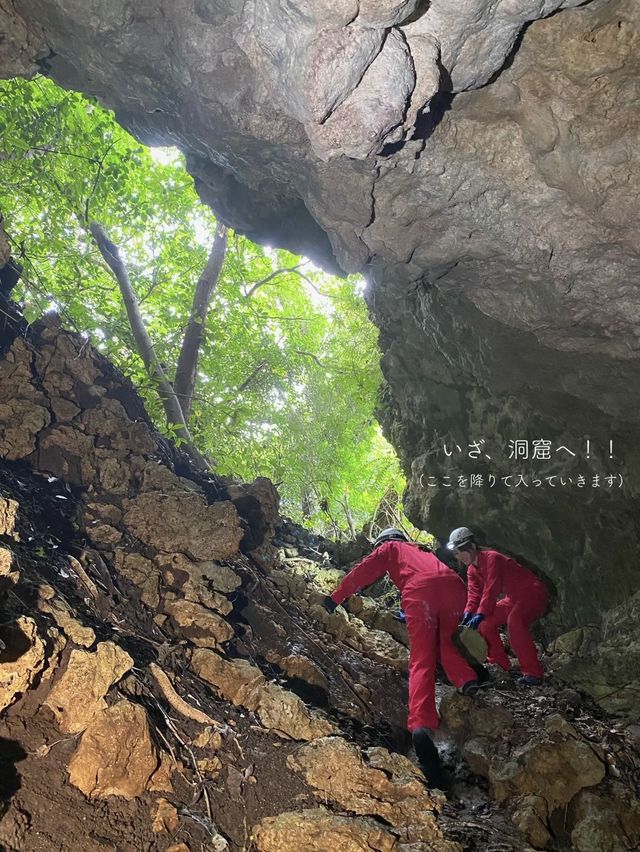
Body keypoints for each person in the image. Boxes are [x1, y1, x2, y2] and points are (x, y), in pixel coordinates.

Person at [323, 527, 487, 787]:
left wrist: (335, 598)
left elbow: (365, 570)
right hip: (455, 588)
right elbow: (429, 576)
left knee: (422, 659)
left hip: (422, 594)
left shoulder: (390, 548)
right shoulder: (420, 549)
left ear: (384, 541)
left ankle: (421, 725)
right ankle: (468, 681)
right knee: (442, 642)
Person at [447, 527, 548, 686]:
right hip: (513, 598)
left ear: (472, 546)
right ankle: (500, 666)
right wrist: (468, 614)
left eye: (462, 551)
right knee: (485, 624)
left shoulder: (492, 558)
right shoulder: (472, 570)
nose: (460, 556)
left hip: (532, 591)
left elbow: (491, 588)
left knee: (515, 622)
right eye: (457, 554)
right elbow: (474, 594)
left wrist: (480, 612)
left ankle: (533, 673)